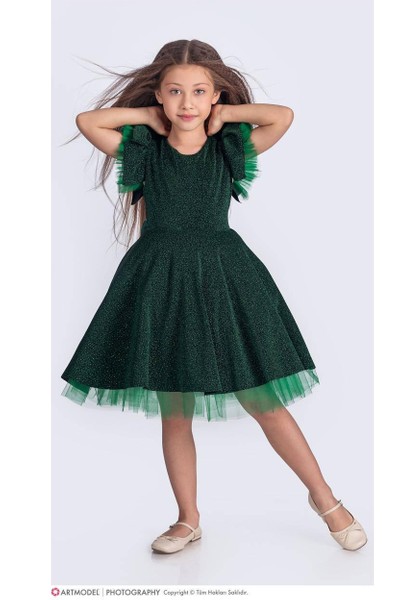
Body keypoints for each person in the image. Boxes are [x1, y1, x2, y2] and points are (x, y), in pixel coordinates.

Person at [60, 39, 367, 554]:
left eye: (199, 92)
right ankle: (188, 519)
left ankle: (326, 499)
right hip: (160, 281)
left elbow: (282, 116)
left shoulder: (229, 147)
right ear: (159, 96)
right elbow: (88, 121)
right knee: (175, 409)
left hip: (224, 279)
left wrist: (225, 115)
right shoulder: (144, 149)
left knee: (263, 400)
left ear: (216, 96)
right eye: (174, 92)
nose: (187, 102)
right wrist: (148, 117)